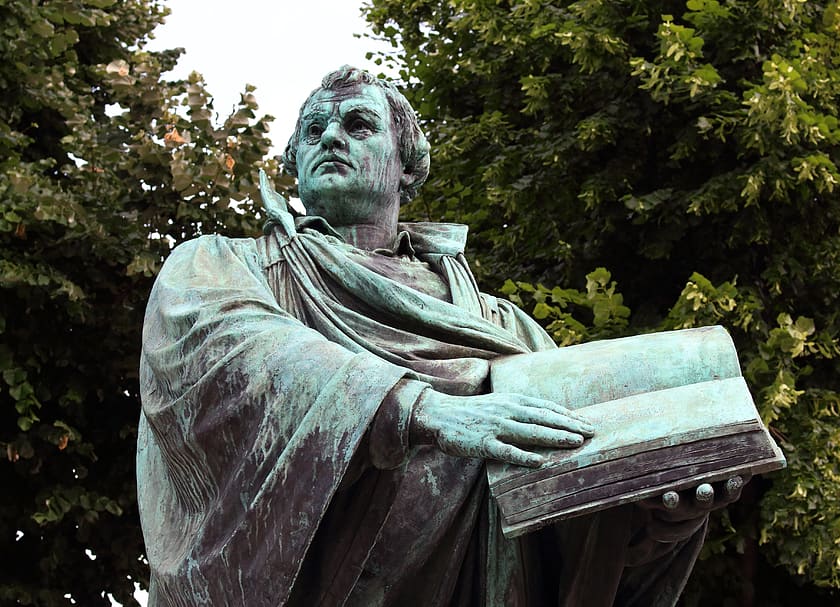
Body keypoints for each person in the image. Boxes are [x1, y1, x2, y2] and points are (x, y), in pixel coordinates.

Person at [137, 66, 741, 607]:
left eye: (358, 124)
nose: (330, 137)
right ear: (294, 163)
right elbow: (235, 350)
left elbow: (570, 512)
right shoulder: (222, 265)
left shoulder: (501, 324)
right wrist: (420, 411)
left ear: (406, 165)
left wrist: (656, 527)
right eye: (313, 129)